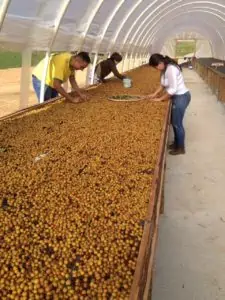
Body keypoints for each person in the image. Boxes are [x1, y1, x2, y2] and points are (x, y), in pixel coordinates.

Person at [148, 53, 191, 155]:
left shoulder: (170, 69)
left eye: (155, 66)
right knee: (174, 122)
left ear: (160, 63)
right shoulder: (164, 69)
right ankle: (176, 143)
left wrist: (160, 99)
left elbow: (173, 89)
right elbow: (163, 84)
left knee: (177, 124)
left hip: (181, 97)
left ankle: (181, 148)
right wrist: (154, 94)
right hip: (177, 97)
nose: (156, 69)